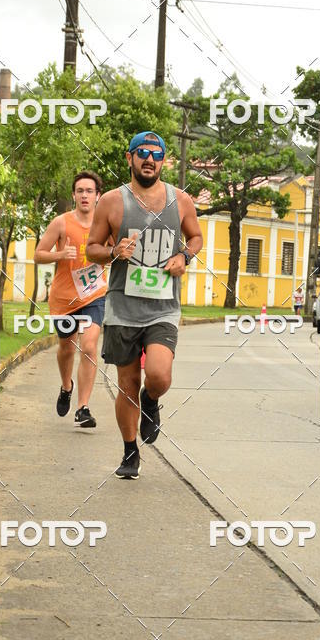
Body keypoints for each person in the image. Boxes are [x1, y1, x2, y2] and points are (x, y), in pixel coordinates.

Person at [86, 131, 203, 479]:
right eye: (142, 153)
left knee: (158, 375)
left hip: (163, 307)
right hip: (122, 307)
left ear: (164, 160)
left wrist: (184, 256)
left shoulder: (180, 200)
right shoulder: (111, 201)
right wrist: (112, 252)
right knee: (126, 382)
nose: (149, 159)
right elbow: (91, 247)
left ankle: (151, 400)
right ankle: (129, 452)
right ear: (130, 158)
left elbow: (196, 237)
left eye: (156, 154)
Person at [34, 171, 108, 428]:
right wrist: (59, 255)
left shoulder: (105, 223)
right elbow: (38, 254)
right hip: (64, 299)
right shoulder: (61, 223)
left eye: (89, 191)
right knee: (66, 347)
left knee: (88, 347)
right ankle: (66, 387)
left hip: (94, 296)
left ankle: (82, 408)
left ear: (98, 196)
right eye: (80, 191)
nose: (85, 195)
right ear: (74, 195)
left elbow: (114, 252)